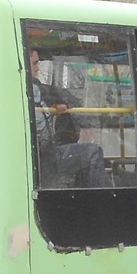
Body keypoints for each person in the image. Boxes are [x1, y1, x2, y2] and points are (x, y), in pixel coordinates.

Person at [29, 48, 107, 188]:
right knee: (93, 152)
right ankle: (99, 198)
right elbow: (57, 94)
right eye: (35, 63)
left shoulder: (35, 90)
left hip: (44, 155)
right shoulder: (33, 88)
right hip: (46, 158)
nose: (38, 69)